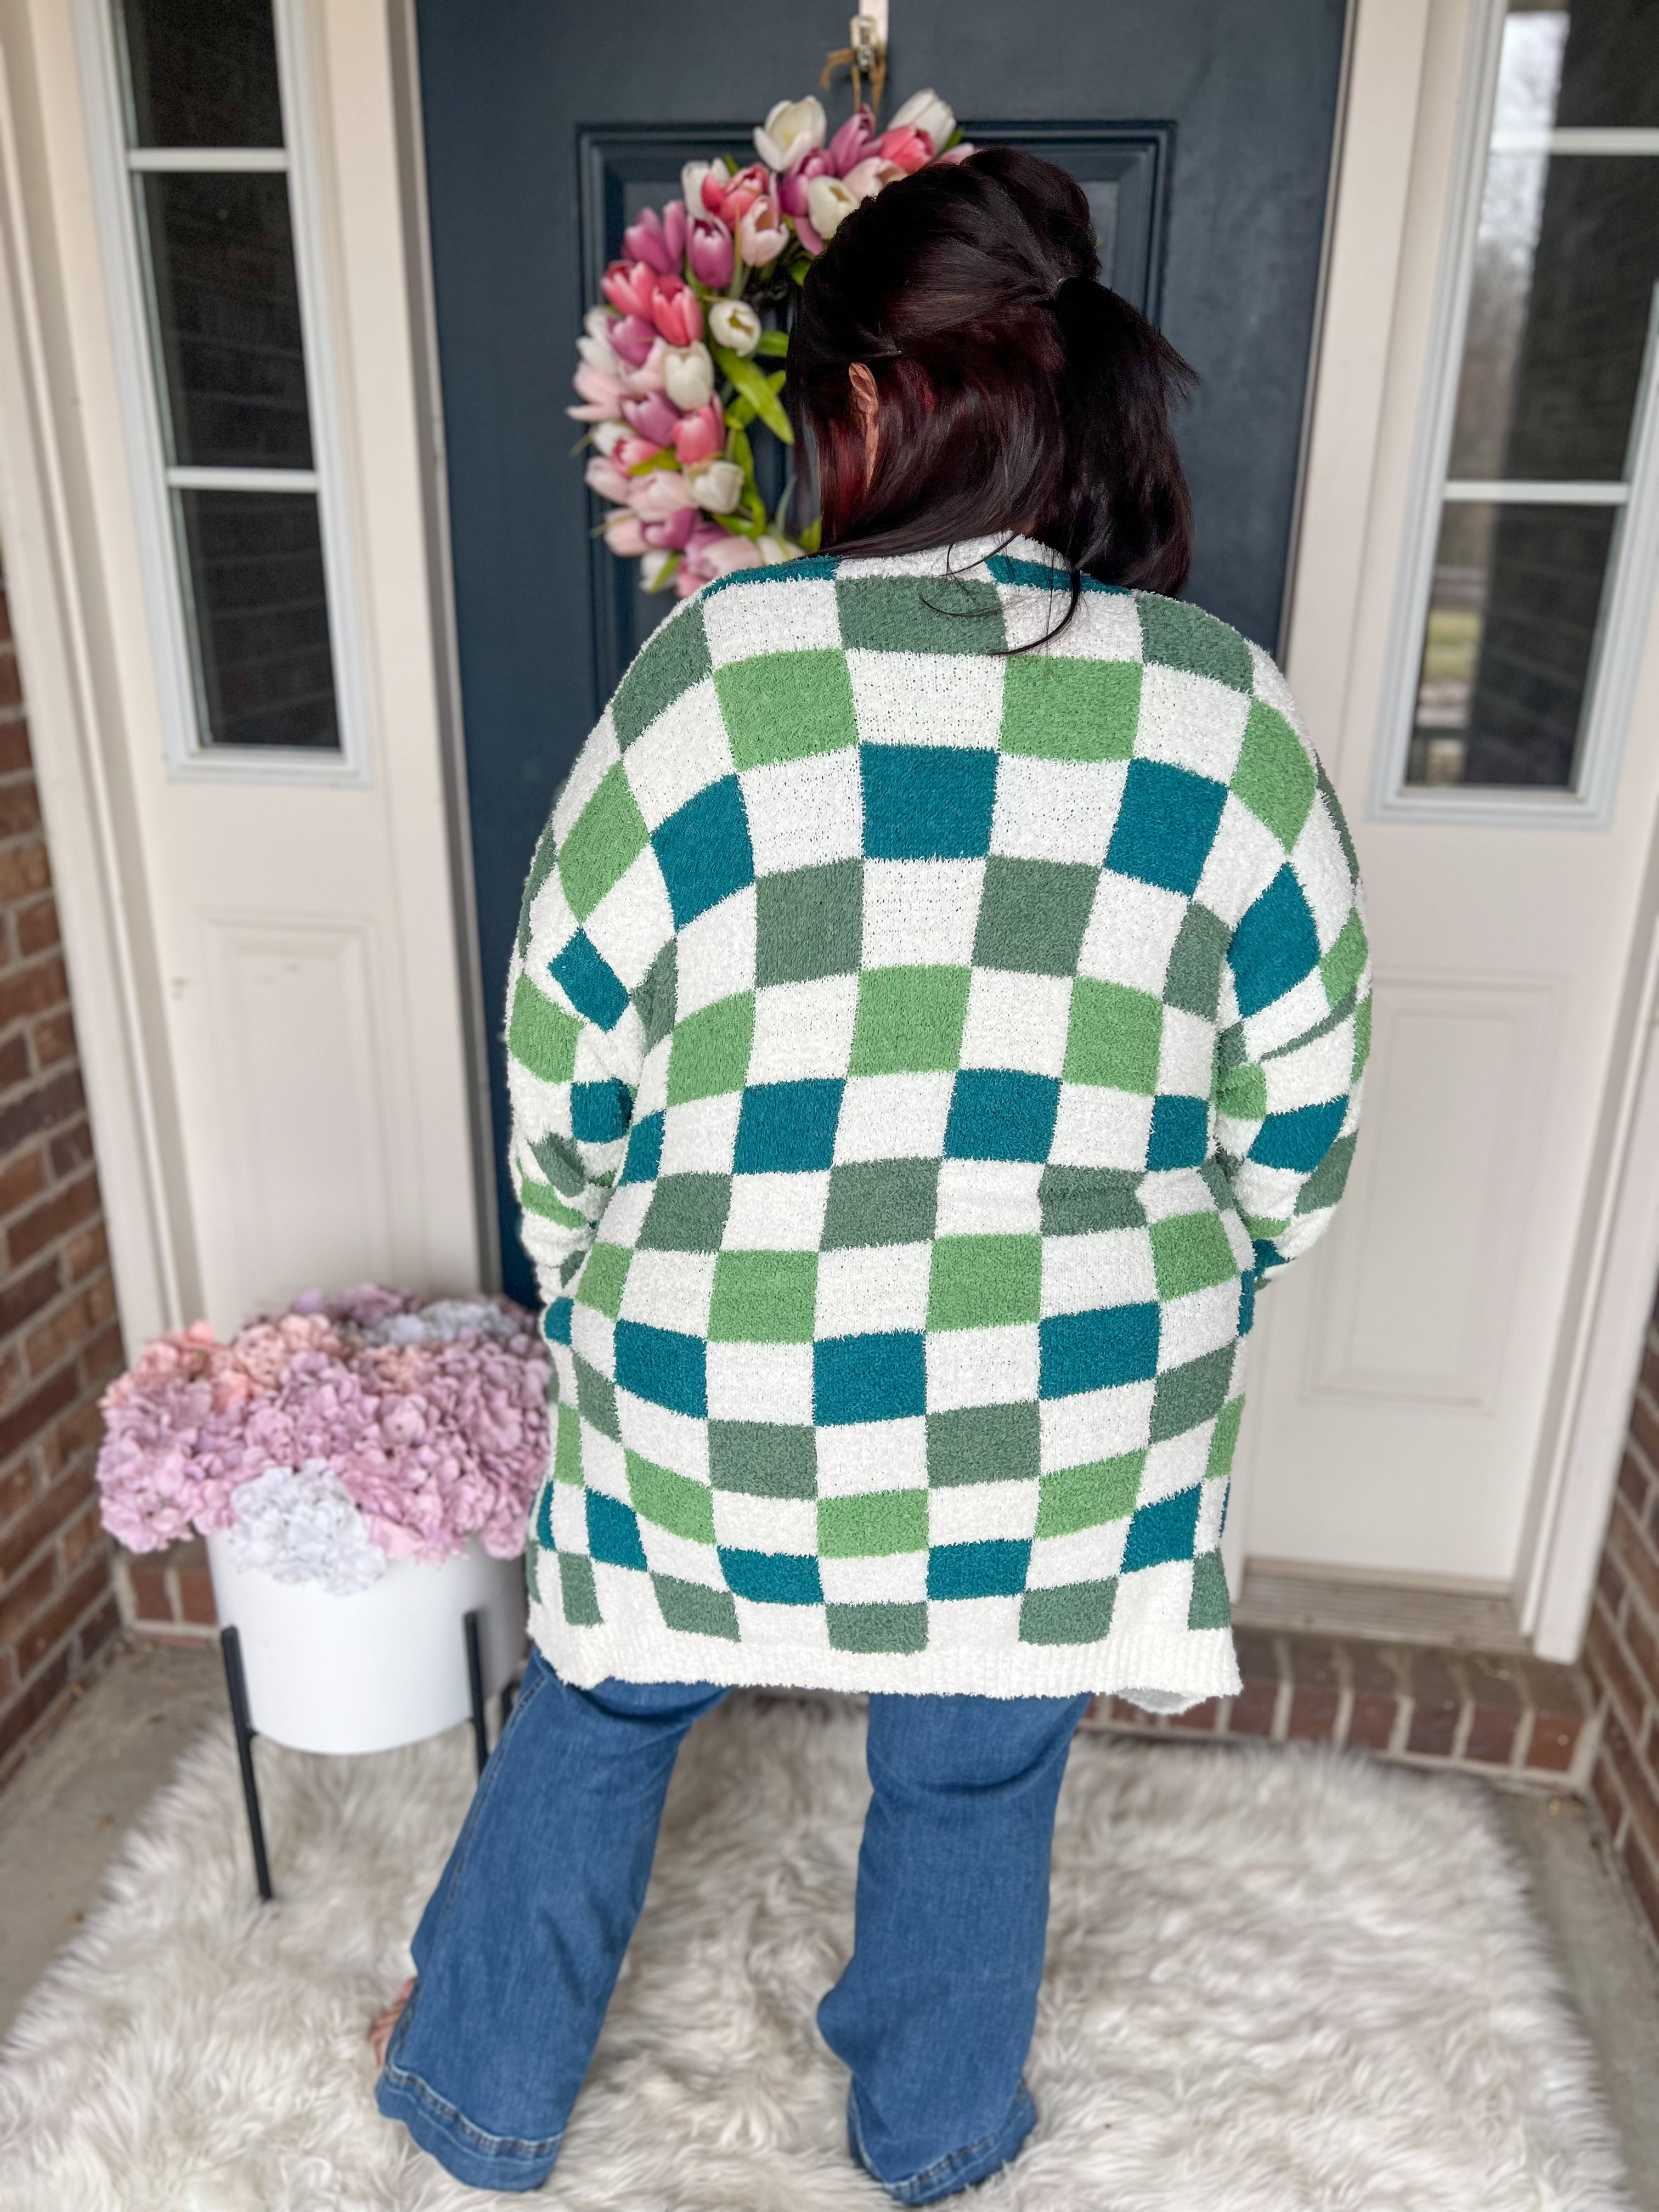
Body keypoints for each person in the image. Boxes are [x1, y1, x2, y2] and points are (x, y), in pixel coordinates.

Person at [371, 145, 1369, 2202]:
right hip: (1068, 1395)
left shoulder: (714, 684)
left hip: (723, 1367)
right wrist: (1203, 1280)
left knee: (603, 1697)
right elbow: (1310, 1105)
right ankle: (934, 2129)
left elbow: (561, 1051)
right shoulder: (1225, 716)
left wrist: (578, 1272)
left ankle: (473, 2100)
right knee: (982, 1755)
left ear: (862, 407)